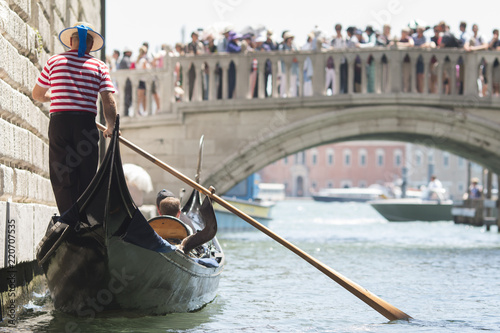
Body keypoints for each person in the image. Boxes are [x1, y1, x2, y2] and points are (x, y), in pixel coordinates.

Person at [32, 22, 116, 214]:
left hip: (60, 123)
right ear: (90, 44)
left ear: (71, 41)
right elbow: (108, 99)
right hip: (85, 124)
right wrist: (110, 125)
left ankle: (68, 219)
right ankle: (83, 217)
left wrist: (54, 96)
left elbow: (37, 94)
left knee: (61, 172)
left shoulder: (54, 61)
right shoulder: (99, 66)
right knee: (85, 172)